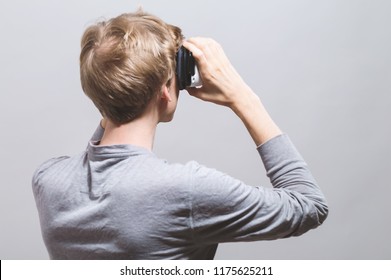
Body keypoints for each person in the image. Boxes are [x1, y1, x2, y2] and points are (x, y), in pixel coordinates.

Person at [32, 10, 328, 260]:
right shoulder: (186, 190)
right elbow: (309, 206)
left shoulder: (49, 180)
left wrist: (113, 90)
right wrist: (242, 97)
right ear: (165, 89)